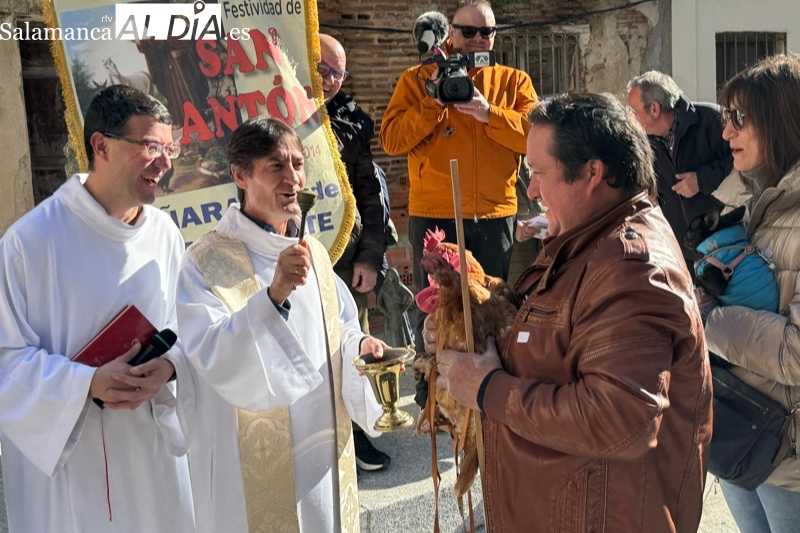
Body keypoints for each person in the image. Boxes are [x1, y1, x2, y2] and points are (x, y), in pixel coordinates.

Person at [429, 93, 713, 531]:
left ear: (593, 173)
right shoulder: (585, 239)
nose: (531, 190)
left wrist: (487, 389)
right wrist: (463, 337)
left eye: (539, 172)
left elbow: (619, 419)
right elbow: (552, 346)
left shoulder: (630, 267)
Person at [176, 116, 385, 533]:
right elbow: (210, 356)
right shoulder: (204, 262)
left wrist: (359, 347)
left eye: (298, 164)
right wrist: (273, 297)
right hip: (248, 466)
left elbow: (340, 327)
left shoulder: (315, 253)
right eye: (276, 166)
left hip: (322, 448)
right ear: (240, 175)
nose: (293, 178)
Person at [0, 85, 194, 532]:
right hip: (72, 463)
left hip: (150, 451)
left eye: (170, 149)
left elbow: (186, 326)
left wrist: (170, 366)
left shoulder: (165, 234)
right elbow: (6, 359)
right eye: (151, 147)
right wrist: (85, 383)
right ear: (101, 146)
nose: (165, 163)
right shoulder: (30, 242)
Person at [380, 0, 537, 403]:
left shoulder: (513, 81)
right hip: (436, 213)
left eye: (487, 32)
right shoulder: (418, 79)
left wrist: (489, 113)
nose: (478, 39)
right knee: (436, 308)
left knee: (491, 305)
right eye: (469, 31)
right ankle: (431, 392)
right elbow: (392, 139)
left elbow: (535, 137)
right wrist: (433, 101)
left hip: (493, 213)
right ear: (451, 33)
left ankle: (487, 389)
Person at [704, 53, 800, 532]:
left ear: (781, 121)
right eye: (726, 117)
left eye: (739, 118)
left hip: (787, 451)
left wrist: (707, 319)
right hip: (738, 428)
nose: (726, 132)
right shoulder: (747, 202)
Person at [320, 34, 392, 471]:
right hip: (291, 254)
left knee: (354, 345)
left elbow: (370, 193)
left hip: (345, 256)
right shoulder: (273, 117)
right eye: (322, 68)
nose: (330, 80)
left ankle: (359, 437)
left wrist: (370, 257)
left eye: (338, 73)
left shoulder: (351, 122)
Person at [627, 71, 733, 268]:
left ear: (654, 109)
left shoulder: (712, 119)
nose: (630, 117)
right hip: (679, 254)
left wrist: (701, 180)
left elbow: (745, 164)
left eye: (633, 110)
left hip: (724, 247)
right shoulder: (643, 142)